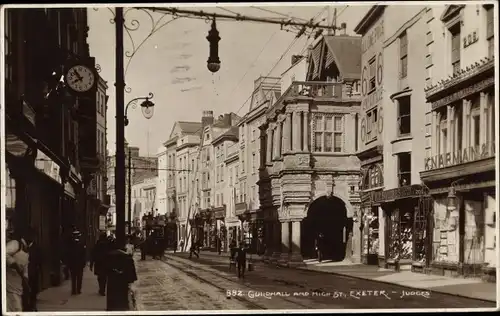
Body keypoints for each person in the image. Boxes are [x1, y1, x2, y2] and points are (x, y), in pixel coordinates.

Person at [5, 227, 32, 312]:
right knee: (14, 306)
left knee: (17, 305)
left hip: (18, 283)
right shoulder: (16, 244)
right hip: (9, 279)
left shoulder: (26, 249)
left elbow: (25, 269)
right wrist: (14, 264)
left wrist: (26, 282)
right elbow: (4, 254)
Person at [105, 242, 138, 311]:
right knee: (122, 295)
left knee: (112, 294)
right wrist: (131, 280)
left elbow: (105, 268)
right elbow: (131, 271)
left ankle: (112, 306)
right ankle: (122, 305)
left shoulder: (109, 255)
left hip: (112, 279)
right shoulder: (127, 257)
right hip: (123, 280)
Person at [67, 228, 87, 295]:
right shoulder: (81, 244)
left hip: (73, 264)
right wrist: (84, 263)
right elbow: (83, 254)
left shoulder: (70, 244)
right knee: (79, 277)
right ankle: (78, 289)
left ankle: (73, 290)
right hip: (79, 264)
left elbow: (68, 254)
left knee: (73, 278)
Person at [27, 230, 42, 311]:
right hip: (24, 272)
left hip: (33, 272)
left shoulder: (37, 248)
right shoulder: (23, 246)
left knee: (33, 289)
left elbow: (40, 260)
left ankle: (33, 305)